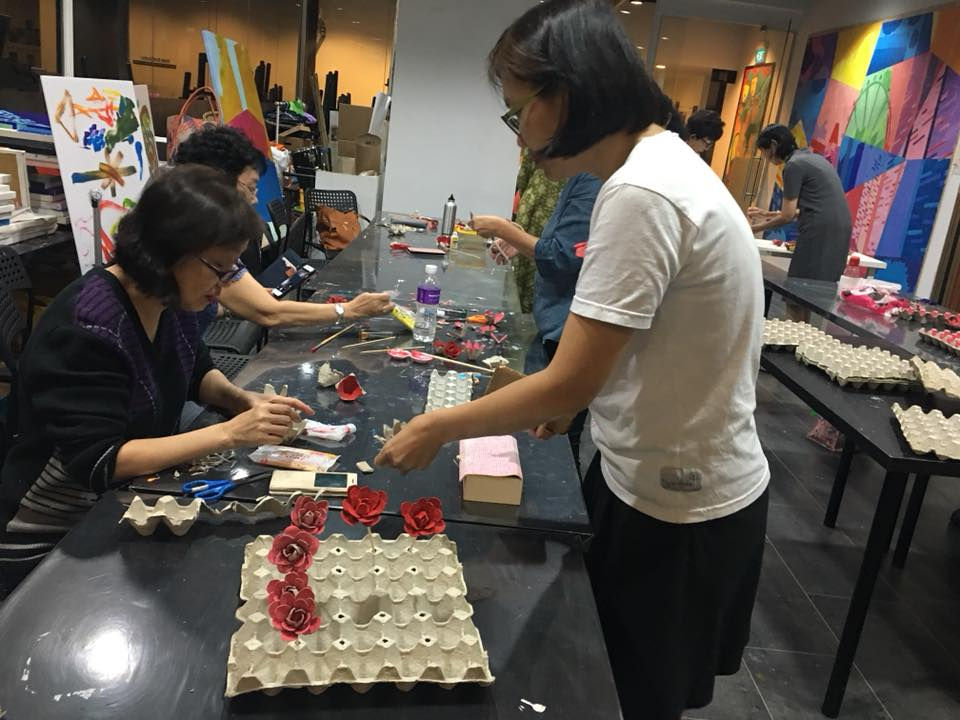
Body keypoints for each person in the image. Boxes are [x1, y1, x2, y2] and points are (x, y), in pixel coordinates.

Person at [376, 2, 770, 718]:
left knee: (627, 696)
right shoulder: (658, 166)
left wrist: (438, 427)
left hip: (679, 505)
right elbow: (635, 345)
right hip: (661, 476)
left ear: (568, 93)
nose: (519, 134)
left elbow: (571, 379)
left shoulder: (640, 194)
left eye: (517, 110)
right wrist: (573, 400)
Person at [0, 166, 312, 599]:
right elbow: (101, 461)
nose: (222, 287)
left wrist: (242, 401)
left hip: (118, 503)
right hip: (53, 534)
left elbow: (196, 371)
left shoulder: (170, 298)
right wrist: (229, 433)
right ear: (168, 252)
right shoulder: (88, 327)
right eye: (218, 269)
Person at [173, 127, 393, 328]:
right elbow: (269, 313)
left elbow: (206, 322)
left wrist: (233, 306)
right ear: (218, 185)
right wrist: (350, 310)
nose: (254, 200)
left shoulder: (208, 242)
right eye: (251, 188)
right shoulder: (200, 248)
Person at [470, 170, 602, 471]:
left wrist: (504, 229)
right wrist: (523, 242)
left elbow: (562, 258)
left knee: (549, 442)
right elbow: (569, 246)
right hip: (554, 324)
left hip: (566, 330)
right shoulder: (579, 177)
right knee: (537, 425)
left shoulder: (594, 181)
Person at [748, 124, 852, 321]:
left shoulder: (793, 166)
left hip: (819, 232)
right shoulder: (813, 159)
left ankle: (793, 335)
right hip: (838, 231)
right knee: (812, 295)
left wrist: (753, 228)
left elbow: (787, 215)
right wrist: (766, 214)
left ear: (773, 145)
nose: (766, 158)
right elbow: (805, 208)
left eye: (764, 152)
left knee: (796, 293)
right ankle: (803, 335)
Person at [511, 148, 567, 313]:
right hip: (554, 210)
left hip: (536, 206)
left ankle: (522, 313)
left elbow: (523, 176)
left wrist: (501, 228)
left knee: (530, 259)